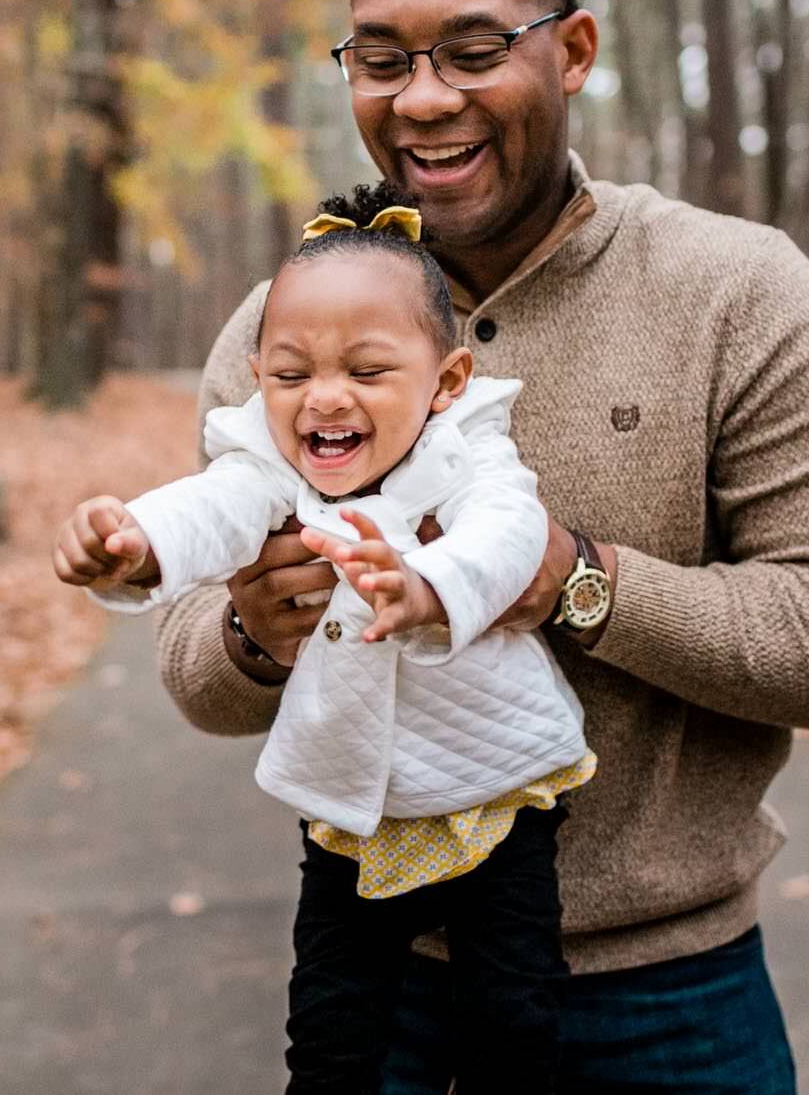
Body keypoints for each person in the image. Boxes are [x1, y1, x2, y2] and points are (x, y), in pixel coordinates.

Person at [157, 0, 809, 1093]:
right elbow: (197, 673)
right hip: (377, 979)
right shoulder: (284, 331)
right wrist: (253, 636)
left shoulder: (738, 295)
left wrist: (571, 583)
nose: (422, 98)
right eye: (379, 58)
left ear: (571, 52)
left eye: (472, 51)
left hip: (669, 1000)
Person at [52, 183, 595, 1094]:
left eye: (368, 371)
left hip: (495, 788)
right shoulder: (268, 461)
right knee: (331, 1032)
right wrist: (139, 544)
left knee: (514, 1023)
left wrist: (430, 585)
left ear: (445, 381)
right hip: (349, 797)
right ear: (259, 373)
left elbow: (510, 533)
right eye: (292, 373)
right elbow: (213, 509)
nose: (324, 400)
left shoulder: (468, 450)